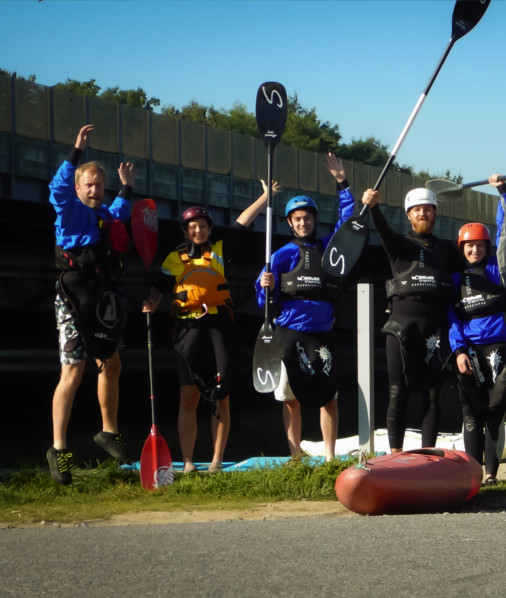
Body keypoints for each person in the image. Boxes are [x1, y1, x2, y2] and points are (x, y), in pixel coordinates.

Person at [142, 181, 278, 473]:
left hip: (219, 328)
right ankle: (189, 461)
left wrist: (265, 197)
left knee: (221, 396)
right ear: (184, 231)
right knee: (188, 396)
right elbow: (159, 289)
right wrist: (150, 303)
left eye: (202, 226)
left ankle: (216, 460)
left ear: (209, 228)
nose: (198, 231)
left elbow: (241, 224)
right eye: (192, 227)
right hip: (188, 331)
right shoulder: (173, 259)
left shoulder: (220, 250)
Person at [46, 124, 135, 485]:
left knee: (111, 362)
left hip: (101, 296)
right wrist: (76, 151)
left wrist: (126, 185)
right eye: (90, 185)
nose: (96, 190)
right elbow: (57, 189)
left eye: (100, 185)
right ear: (79, 189)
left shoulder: (106, 216)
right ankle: (58, 449)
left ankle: (108, 432)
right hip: (72, 295)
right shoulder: (69, 211)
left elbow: (122, 209)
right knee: (74, 370)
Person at [255, 154, 354, 461]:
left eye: (307, 217)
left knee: (329, 399)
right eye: (297, 218)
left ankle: (329, 457)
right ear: (290, 223)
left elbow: (348, 226)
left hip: (321, 335)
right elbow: (263, 300)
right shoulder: (282, 254)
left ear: (314, 219)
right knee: (291, 400)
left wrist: (343, 184)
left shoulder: (328, 249)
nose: (303, 222)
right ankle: (295, 457)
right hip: (290, 335)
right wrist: (265, 286)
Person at [361, 185, 462, 453]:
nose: (423, 214)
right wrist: (373, 207)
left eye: (428, 209)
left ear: (435, 213)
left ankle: (428, 457)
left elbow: (478, 258)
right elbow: (382, 231)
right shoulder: (400, 246)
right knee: (398, 392)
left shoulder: (448, 250)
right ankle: (396, 455)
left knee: (433, 397)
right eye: (417, 210)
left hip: (436, 330)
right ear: (409, 215)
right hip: (401, 329)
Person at [447, 174, 506, 485]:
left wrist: (503, 193)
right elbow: (452, 319)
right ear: (462, 248)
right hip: (471, 351)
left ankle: (491, 474)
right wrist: (459, 350)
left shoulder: (499, 270)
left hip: (500, 349)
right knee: (471, 413)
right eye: (469, 246)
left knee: (494, 412)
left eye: (479, 246)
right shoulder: (455, 280)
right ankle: (472, 472)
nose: (474, 250)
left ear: (486, 247)